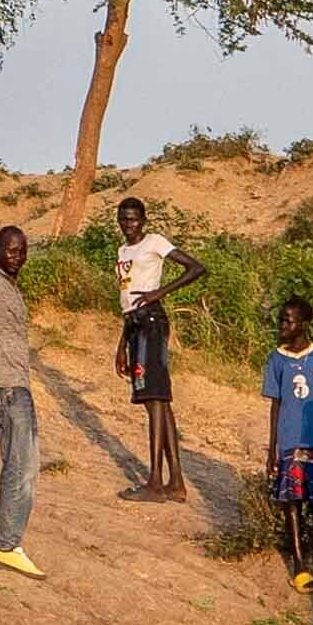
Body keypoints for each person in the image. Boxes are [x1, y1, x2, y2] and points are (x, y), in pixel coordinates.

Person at [0, 222, 46, 579]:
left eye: (22, 251)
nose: (17, 256)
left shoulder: (11, 289)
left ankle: (7, 542)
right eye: (11, 250)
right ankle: (6, 546)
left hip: (9, 386)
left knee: (20, 466)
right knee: (21, 467)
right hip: (6, 388)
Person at [116, 196, 200, 497]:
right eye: (124, 218)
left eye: (134, 218)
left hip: (152, 322)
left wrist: (158, 293)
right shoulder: (123, 250)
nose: (129, 224)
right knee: (160, 402)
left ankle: (155, 481)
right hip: (135, 325)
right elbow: (127, 299)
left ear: (144, 220)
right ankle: (175, 482)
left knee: (154, 400)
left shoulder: (154, 241)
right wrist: (122, 345)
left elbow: (195, 267)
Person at [261, 298, 313, 593]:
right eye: (281, 320)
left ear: (303, 325)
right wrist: (272, 448)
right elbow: (276, 404)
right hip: (290, 441)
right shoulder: (276, 359)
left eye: (288, 321)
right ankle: (299, 566)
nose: (282, 326)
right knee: (292, 502)